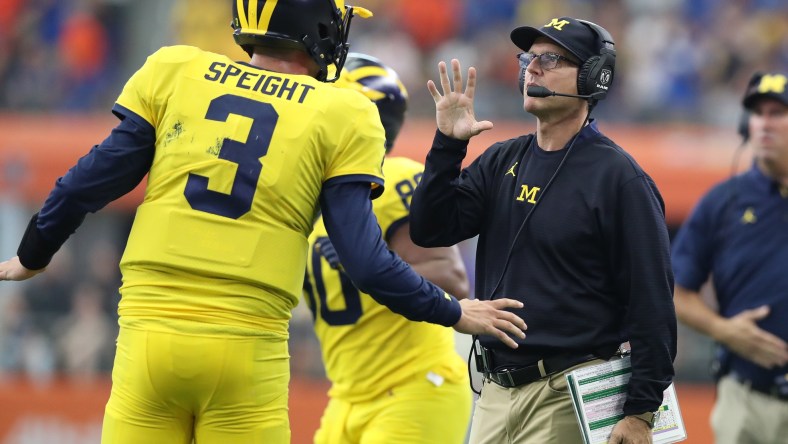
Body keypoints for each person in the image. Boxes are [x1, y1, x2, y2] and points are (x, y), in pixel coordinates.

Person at [0, 2, 527, 443]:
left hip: (147, 336)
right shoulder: (343, 110)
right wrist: (455, 313)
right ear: (317, 24)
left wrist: (32, 255)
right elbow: (366, 263)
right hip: (246, 345)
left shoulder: (174, 69)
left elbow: (84, 184)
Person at [409, 16, 677, 444]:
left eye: (550, 59)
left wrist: (641, 410)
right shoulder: (502, 159)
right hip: (496, 389)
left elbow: (652, 301)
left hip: (571, 389)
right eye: (528, 58)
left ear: (593, 77)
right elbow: (429, 228)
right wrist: (447, 145)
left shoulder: (619, 179)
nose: (531, 69)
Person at [304, 53, 472, 444]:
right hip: (346, 394)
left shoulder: (395, 178)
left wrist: (367, 266)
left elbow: (454, 278)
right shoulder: (319, 191)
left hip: (411, 386)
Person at [671, 71, 788, 444]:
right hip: (746, 399)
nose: (764, 123)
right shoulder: (724, 201)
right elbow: (674, 289)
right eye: (757, 113)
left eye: (777, 112)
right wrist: (724, 331)